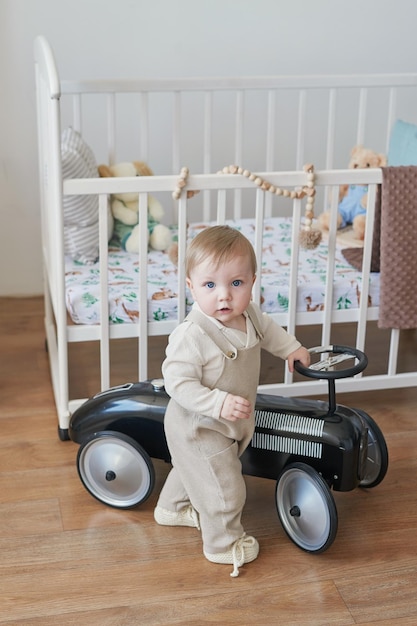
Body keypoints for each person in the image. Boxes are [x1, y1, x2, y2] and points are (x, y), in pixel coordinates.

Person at [154, 225, 310, 577]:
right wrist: (217, 403)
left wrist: (292, 349)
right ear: (191, 286)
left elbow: (270, 331)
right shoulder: (192, 335)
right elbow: (176, 382)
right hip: (198, 424)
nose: (224, 296)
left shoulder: (250, 315)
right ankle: (223, 545)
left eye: (236, 284)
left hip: (230, 421)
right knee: (224, 488)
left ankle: (171, 509)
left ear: (252, 281)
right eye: (210, 285)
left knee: (195, 471)